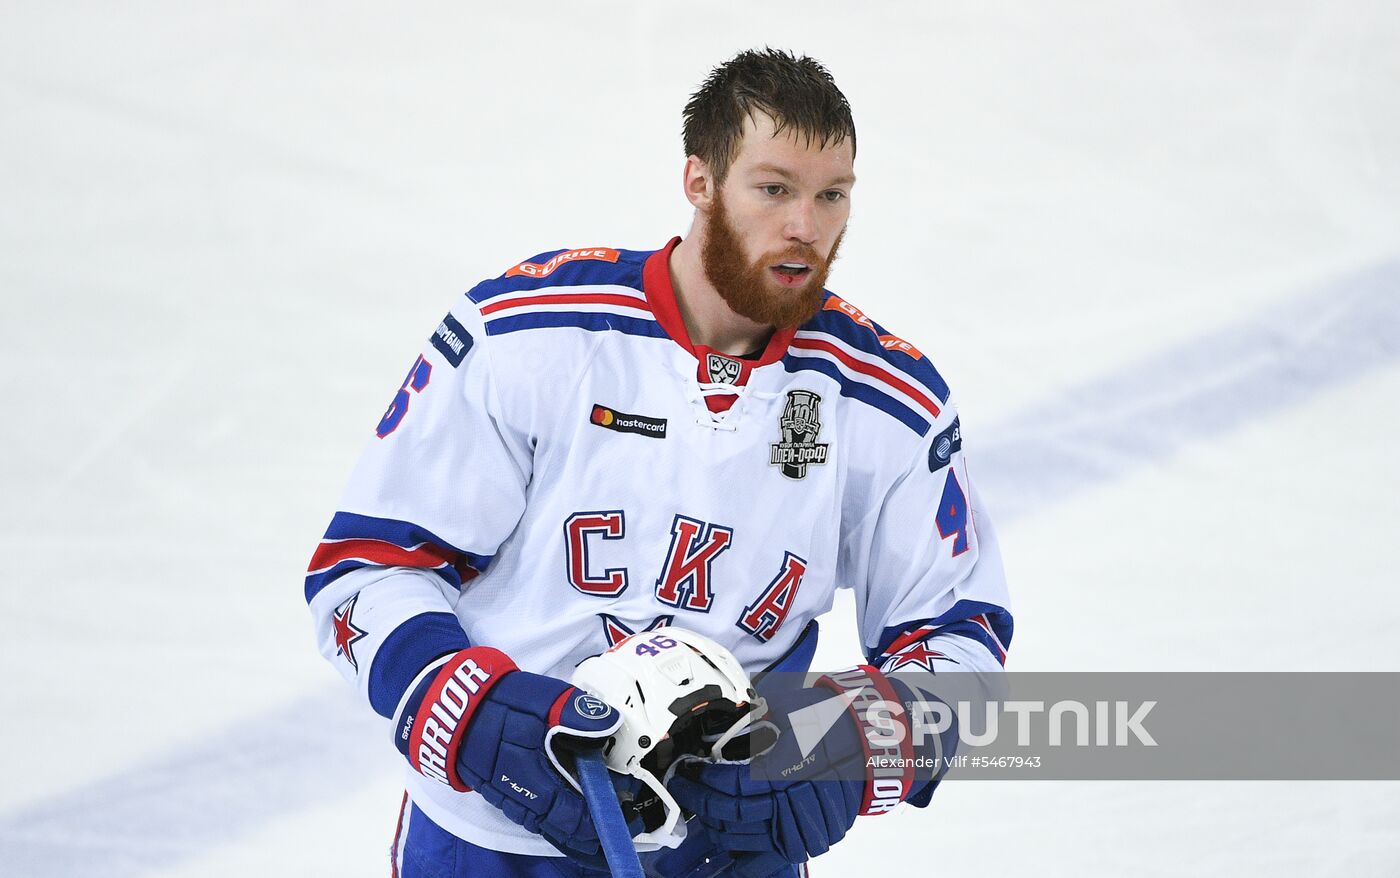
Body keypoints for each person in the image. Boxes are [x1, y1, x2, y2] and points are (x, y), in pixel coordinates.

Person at [306, 48, 1012, 878]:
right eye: (774, 188)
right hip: (497, 841)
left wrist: (847, 746)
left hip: (731, 852)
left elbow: (958, 642)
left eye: (832, 195)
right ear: (700, 182)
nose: (806, 227)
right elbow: (367, 569)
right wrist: (473, 712)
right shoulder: (529, 335)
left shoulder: (885, 400)